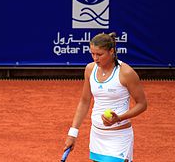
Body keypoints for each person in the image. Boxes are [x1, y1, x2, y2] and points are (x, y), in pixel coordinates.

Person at [63, 32, 147, 162]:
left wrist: (119, 118)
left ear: (111, 51)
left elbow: (142, 104)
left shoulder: (126, 73)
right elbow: (85, 101)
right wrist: (72, 134)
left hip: (119, 137)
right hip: (97, 136)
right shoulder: (90, 69)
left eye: (99, 54)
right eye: (92, 54)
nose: (95, 58)